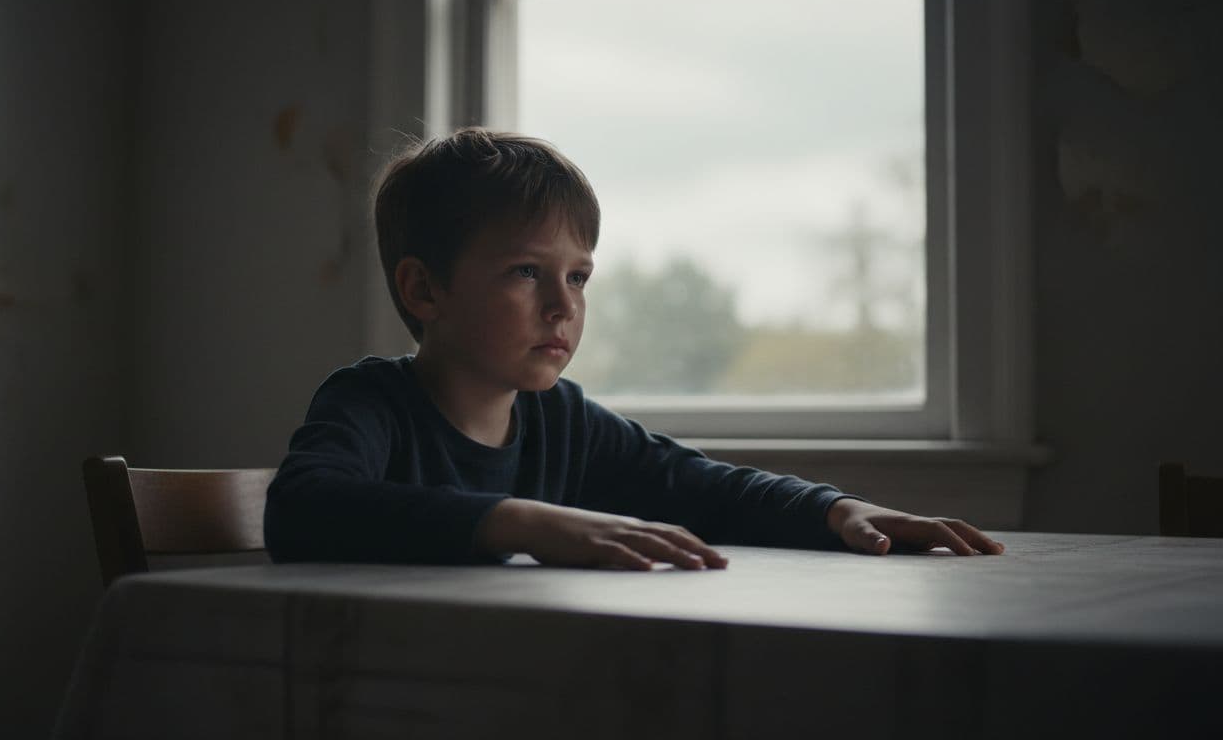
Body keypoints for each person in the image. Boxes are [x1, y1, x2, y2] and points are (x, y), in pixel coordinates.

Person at [263, 128, 1004, 569]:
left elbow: (699, 485)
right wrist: (524, 520)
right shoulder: (370, 404)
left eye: (578, 276)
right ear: (425, 291)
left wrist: (838, 511)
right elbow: (300, 510)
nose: (565, 305)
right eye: (527, 272)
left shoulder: (563, 422)